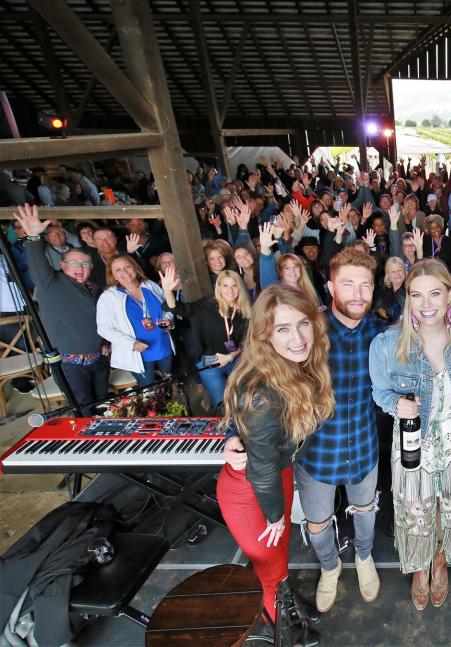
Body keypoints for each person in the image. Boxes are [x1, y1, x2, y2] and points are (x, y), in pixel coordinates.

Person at [225, 249, 386, 613]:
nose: (358, 293)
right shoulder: (306, 332)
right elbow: (258, 381)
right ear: (330, 286)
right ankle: (330, 566)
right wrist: (232, 431)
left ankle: (363, 557)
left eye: (366, 285)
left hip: (364, 445)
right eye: (348, 284)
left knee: (366, 508)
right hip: (316, 454)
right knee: (317, 521)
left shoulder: (382, 334)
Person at [218, 285, 328, 644]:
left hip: (273, 476)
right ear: (266, 336)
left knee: (279, 558)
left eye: (302, 324)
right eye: (282, 329)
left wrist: (232, 433)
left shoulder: (295, 366)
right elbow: (260, 468)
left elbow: (242, 418)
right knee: (268, 569)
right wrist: (276, 515)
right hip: (252, 489)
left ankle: (286, 602)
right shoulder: (264, 391)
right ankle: (282, 630)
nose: (297, 338)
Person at [369, 259, 451, 610]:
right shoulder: (387, 344)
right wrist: (395, 405)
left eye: (434, 294)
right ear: (408, 298)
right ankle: (418, 567)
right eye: (417, 295)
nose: (426, 304)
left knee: (450, 508)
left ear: (448, 296)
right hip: (415, 445)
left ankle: (440, 559)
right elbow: (380, 392)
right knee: (416, 510)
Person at [13, 205, 109, 414]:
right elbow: (37, 263)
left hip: (100, 359)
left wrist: (106, 342)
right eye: (73, 263)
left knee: (103, 405)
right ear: (62, 265)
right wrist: (33, 236)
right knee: (84, 411)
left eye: (85, 264)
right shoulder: (51, 284)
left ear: (91, 269)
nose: (79, 268)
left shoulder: (93, 288)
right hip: (71, 365)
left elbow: (102, 320)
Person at [160, 268, 250, 411]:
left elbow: (249, 340)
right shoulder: (207, 305)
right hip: (210, 362)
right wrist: (168, 291)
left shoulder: (246, 309)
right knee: (222, 405)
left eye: (234, 285)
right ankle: (229, 432)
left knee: (243, 400)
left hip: (236, 359)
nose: (230, 290)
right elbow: (178, 309)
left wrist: (231, 356)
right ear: (219, 287)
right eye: (225, 286)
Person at [96, 255, 175, 386]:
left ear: (135, 268)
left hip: (163, 345)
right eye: (118, 270)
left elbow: (168, 307)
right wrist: (131, 343)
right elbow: (104, 329)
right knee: (150, 390)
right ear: (113, 275)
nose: (125, 272)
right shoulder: (108, 297)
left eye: (127, 266)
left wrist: (168, 320)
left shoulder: (150, 285)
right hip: (138, 353)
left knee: (169, 382)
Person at [373, 256, 406, 324]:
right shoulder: (381, 292)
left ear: (404, 271)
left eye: (399, 270)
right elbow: (374, 314)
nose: (397, 274)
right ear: (388, 275)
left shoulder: (411, 290)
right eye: (393, 272)